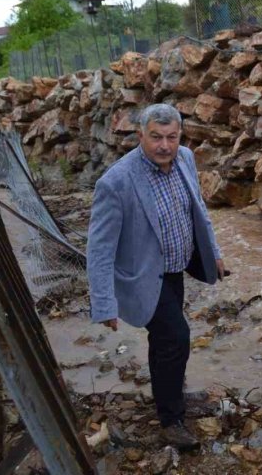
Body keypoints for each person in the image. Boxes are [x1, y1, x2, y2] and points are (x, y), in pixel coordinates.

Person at [87, 103, 225, 451]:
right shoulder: (116, 182)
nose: (164, 146)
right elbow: (99, 249)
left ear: (180, 136)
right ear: (140, 136)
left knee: (165, 343)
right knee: (176, 338)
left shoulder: (185, 159)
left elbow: (198, 210)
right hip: (145, 276)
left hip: (176, 270)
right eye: (156, 138)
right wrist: (105, 303)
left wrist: (215, 253)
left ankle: (170, 393)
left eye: (171, 137)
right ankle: (171, 420)